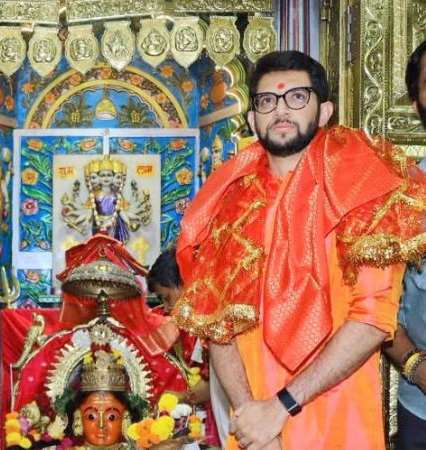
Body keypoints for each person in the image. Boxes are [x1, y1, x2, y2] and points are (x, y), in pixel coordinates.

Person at [172, 50, 426, 450]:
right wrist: (253, 418)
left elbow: (373, 319)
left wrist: (281, 407)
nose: (281, 110)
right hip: (257, 432)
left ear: (324, 111)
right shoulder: (229, 203)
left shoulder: (363, 187)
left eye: (297, 97)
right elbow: (219, 328)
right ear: (253, 118)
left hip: (339, 427)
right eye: (267, 101)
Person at [383, 38, 426, 450]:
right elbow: (374, 307)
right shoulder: (400, 200)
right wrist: (416, 366)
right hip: (422, 409)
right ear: (417, 103)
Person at [147, 248, 227, 447]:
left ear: (185, 284)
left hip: (215, 418)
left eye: (167, 297)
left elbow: (216, 381)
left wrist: (181, 397)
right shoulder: (168, 320)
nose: (166, 307)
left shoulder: (213, 317)